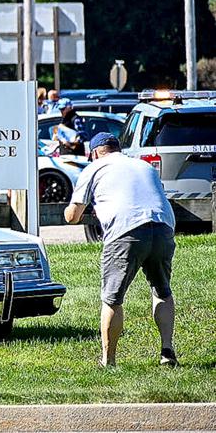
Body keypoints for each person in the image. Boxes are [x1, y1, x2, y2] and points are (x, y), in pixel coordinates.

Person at [64, 133, 177, 368]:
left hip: (126, 231)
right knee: (162, 291)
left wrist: (79, 207)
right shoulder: (143, 165)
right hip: (164, 227)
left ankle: (109, 361)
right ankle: (167, 351)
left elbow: (73, 217)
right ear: (118, 148)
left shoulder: (94, 168)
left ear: (95, 152)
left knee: (112, 299)